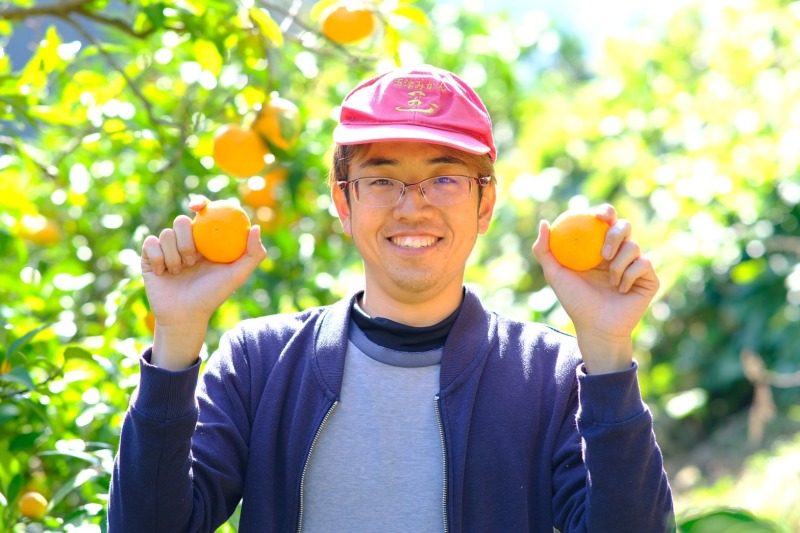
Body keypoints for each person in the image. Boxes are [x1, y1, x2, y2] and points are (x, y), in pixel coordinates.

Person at [109, 64, 675, 532]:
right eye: (381, 180)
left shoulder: (549, 376)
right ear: (344, 202)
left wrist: (606, 346)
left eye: (444, 178)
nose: (412, 207)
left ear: (484, 205)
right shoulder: (260, 363)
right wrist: (177, 334)